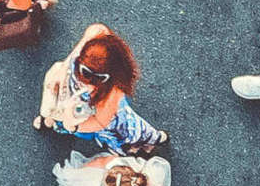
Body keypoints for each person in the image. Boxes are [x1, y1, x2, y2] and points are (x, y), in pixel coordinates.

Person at [37, 25, 167, 155]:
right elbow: (97, 29)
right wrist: (65, 65)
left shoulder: (114, 90)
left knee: (127, 130)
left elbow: (101, 122)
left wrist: (72, 126)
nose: (90, 85)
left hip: (91, 119)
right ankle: (51, 121)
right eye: (86, 73)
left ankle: (152, 140)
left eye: (99, 78)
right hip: (72, 106)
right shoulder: (85, 57)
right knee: (58, 108)